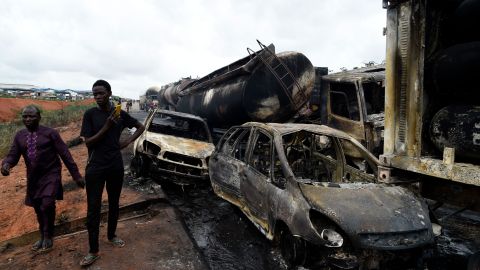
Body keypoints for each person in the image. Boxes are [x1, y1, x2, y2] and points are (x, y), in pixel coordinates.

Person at [1, 105, 85, 253]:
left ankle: (48, 234)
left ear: (39, 117)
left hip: (51, 173)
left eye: (31, 116)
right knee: (38, 207)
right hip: (33, 177)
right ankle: (42, 234)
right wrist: (6, 164)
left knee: (47, 203)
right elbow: (13, 155)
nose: (27, 119)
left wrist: (76, 175)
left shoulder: (50, 133)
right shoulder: (19, 136)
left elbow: (65, 154)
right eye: (25, 116)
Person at [79, 80, 145, 267]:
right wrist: (107, 126)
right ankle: (93, 250)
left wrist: (126, 142)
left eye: (101, 93)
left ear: (109, 93)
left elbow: (140, 127)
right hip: (95, 166)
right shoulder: (90, 114)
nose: (97, 97)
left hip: (115, 165)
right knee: (93, 208)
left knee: (114, 203)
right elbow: (89, 142)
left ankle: (112, 235)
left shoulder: (119, 114)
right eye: (95, 94)